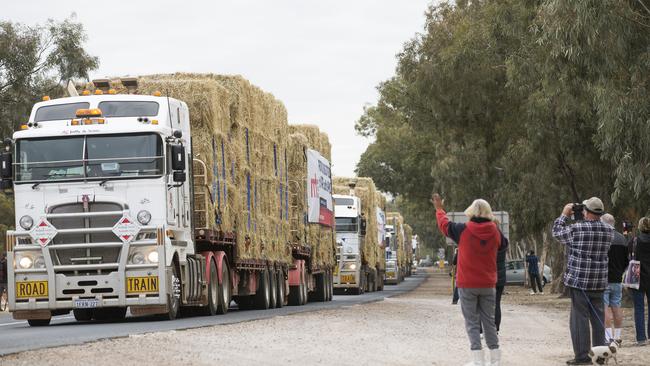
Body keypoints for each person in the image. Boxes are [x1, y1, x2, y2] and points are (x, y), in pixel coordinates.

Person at [432, 193, 505, 366]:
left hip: (467, 284)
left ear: (471, 212)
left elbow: (444, 225)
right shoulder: (495, 232)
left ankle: (477, 359)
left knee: (472, 322)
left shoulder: (462, 230)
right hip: (488, 283)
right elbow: (504, 245)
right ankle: (495, 359)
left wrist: (439, 209)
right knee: (489, 321)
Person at [552, 197, 613, 365]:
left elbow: (557, 232)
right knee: (598, 319)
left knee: (579, 319)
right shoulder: (608, 230)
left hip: (579, 282)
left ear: (586, 211)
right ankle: (600, 355)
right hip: (599, 282)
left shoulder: (577, 229)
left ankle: (582, 356)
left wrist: (564, 215)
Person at [600, 214, 628, 345]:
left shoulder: (602, 237)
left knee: (604, 309)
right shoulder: (622, 239)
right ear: (613, 223)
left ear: (603, 223)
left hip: (603, 279)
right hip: (617, 279)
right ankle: (617, 338)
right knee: (617, 308)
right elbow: (626, 261)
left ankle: (608, 338)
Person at [630, 217, 650, 346]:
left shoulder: (634, 240)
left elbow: (628, 256)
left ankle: (641, 338)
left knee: (639, 308)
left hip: (637, 276)